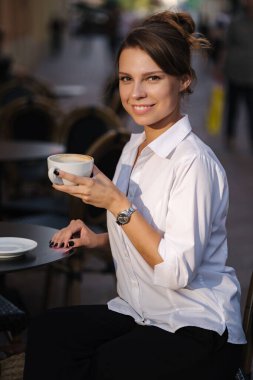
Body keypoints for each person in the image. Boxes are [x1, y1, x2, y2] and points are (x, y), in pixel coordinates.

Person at [23, 10, 246, 380]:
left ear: (184, 80)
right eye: (127, 79)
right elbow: (146, 236)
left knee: (107, 365)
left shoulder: (193, 164)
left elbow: (173, 270)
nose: (136, 93)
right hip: (142, 311)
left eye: (153, 78)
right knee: (49, 332)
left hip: (196, 324)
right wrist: (97, 239)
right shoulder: (134, 147)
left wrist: (116, 203)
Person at [223, 0, 253, 151]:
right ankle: (229, 137)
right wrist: (220, 68)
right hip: (234, 72)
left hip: (251, 77)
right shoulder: (236, 23)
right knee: (232, 108)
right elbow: (226, 47)